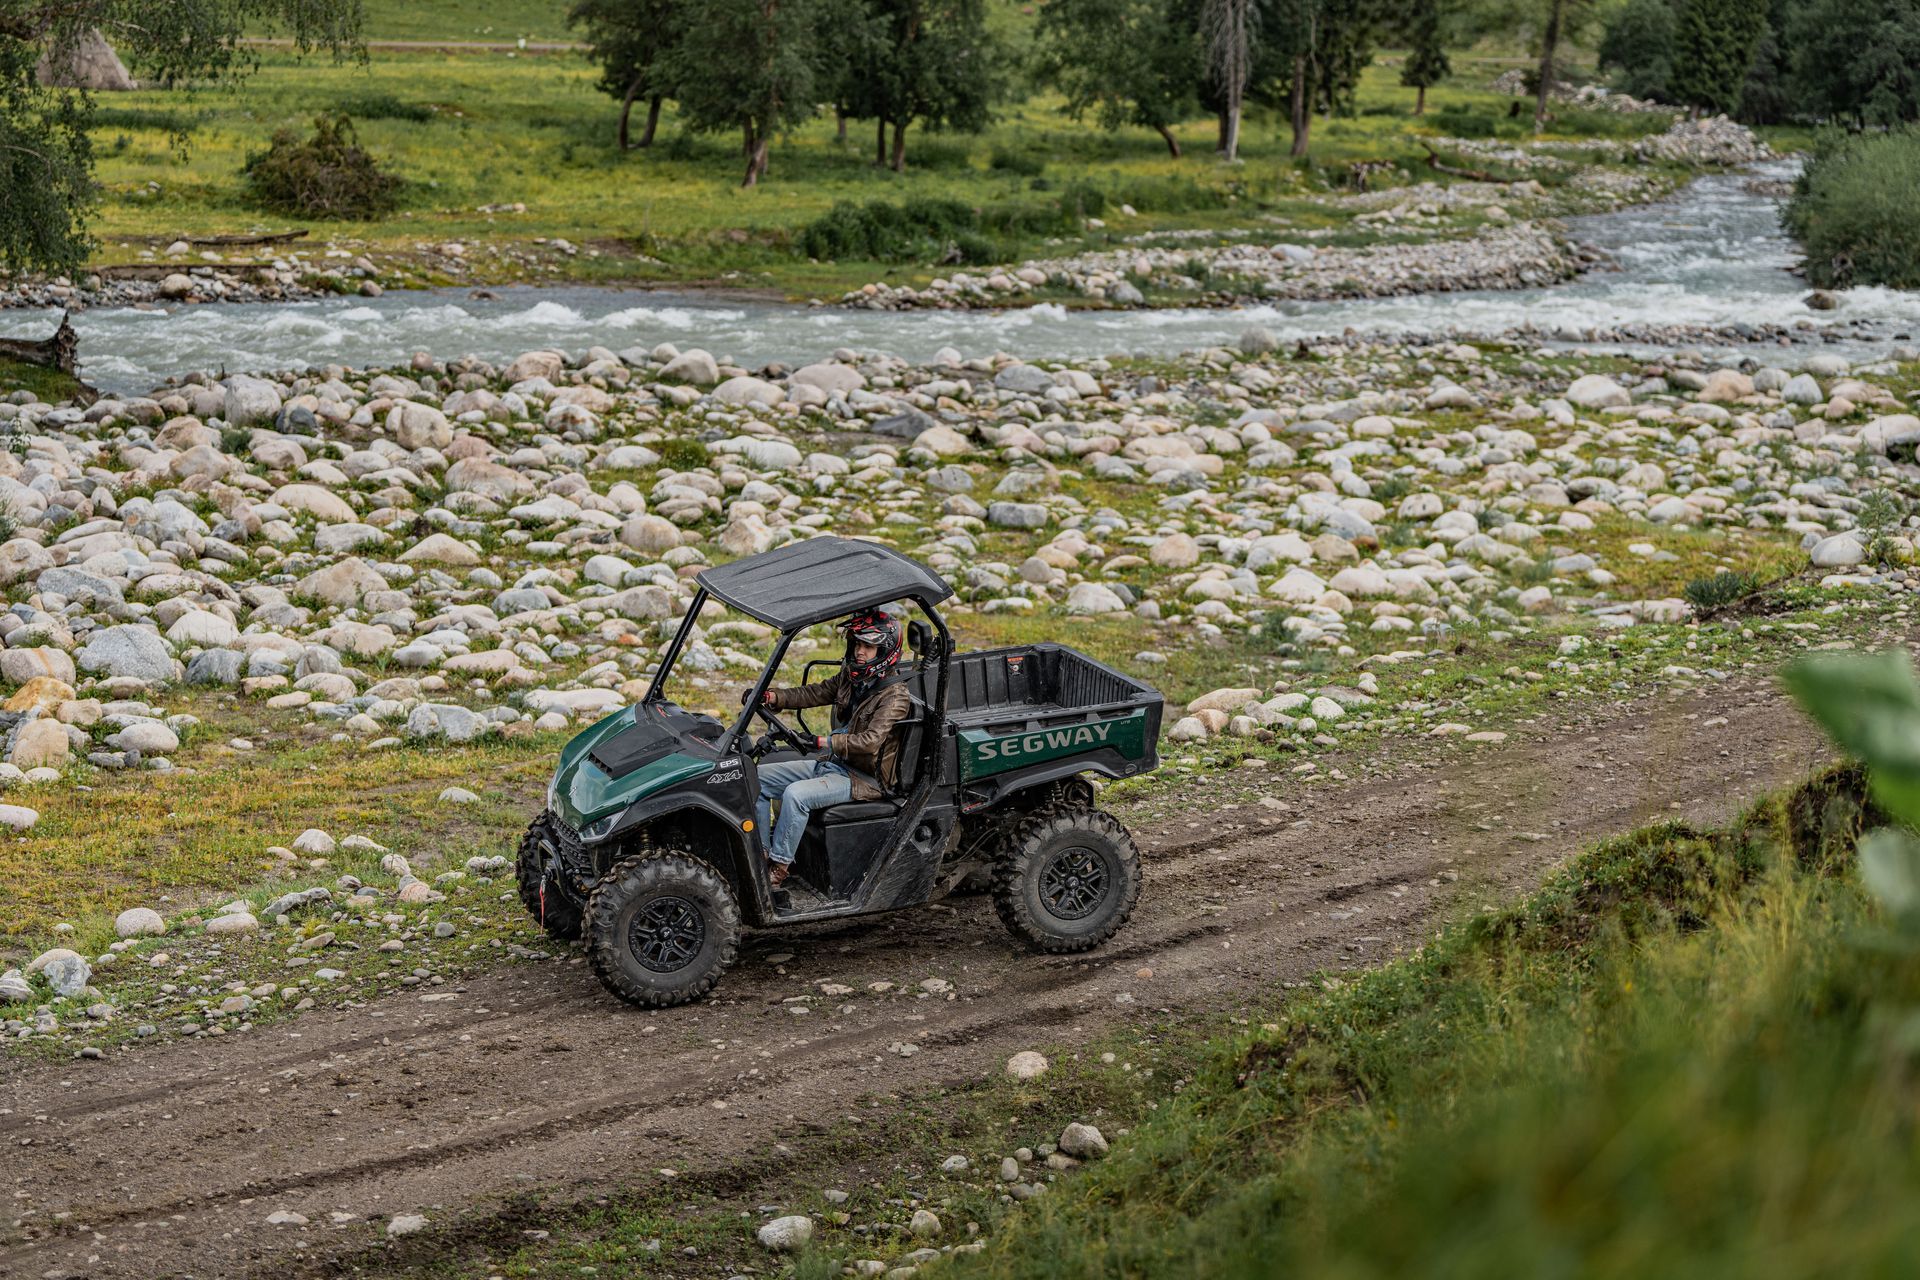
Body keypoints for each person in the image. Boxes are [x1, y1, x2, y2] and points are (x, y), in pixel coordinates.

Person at [746, 610, 913, 888]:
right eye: (857, 644)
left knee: (796, 795)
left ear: (884, 651)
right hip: (834, 763)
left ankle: (779, 867)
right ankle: (760, 854)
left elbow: (871, 741)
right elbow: (816, 692)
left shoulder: (895, 696)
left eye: (868, 646)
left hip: (862, 778)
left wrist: (823, 742)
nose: (860, 652)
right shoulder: (852, 677)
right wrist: (774, 697)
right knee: (755, 778)